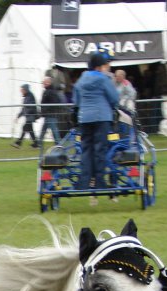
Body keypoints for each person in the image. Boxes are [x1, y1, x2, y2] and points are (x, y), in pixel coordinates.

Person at [72, 52, 119, 205]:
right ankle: (99, 181)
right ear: (99, 66)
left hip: (84, 118)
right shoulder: (103, 78)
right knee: (100, 150)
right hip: (101, 117)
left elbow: (76, 100)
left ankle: (84, 181)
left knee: (86, 150)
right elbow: (114, 98)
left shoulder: (81, 79)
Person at [11, 84, 40, 149]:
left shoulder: (30, 96)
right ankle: (36, 144)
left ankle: (18, 143)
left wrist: (26, 111)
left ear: (25, 90)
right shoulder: (26, 97)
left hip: (31, 116)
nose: (21, 91)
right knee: (30, 130)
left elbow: (31, 107)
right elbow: (24, 108)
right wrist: (18, 116)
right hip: (28, 116)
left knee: (25, 128)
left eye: (22, 89)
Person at [39, 77, 62, 145]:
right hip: (48, 114)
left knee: (54, 129)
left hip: (51, 114)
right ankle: (39, 143)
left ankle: (58, 144)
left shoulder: (51, 91)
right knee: (44, 129)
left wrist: (46, 109)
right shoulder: (48, 91)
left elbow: (54, 102)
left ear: (48, 83)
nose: (43, 83)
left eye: (44, 82)